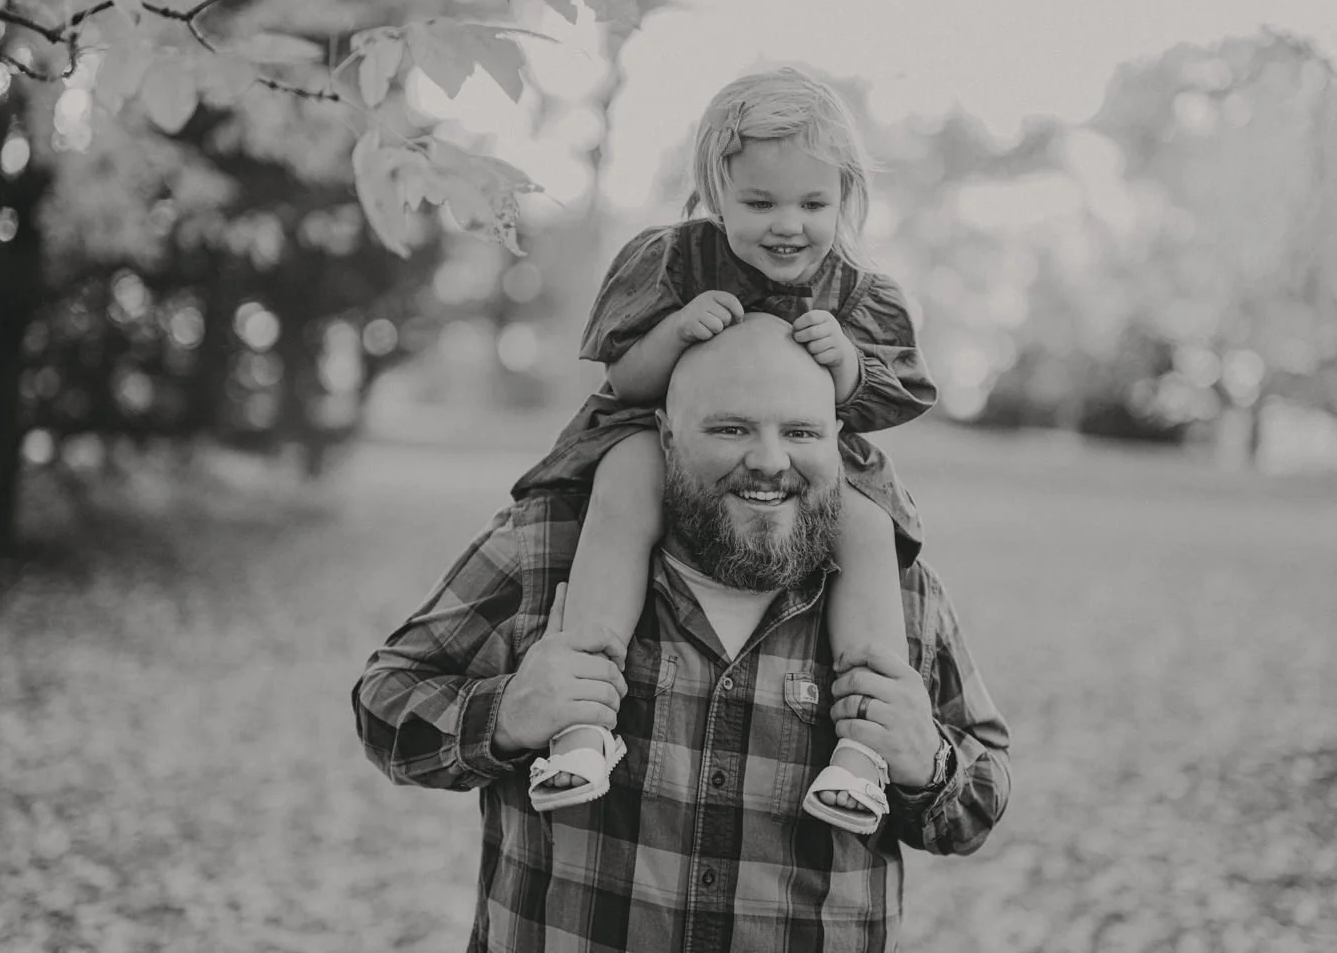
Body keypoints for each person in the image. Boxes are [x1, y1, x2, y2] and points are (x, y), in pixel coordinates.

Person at [352, 313, 1011, 953]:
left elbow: (982, 795)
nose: (769, 460)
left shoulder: (897, 596)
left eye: (802, 432)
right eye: (731, 428)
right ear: (666, 435)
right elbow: (386, 699)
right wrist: (503, 717)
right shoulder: (549, 548)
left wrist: (929, 762)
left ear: (837, 439)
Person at [514, 66, 935, 833]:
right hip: (667, 441)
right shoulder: (676, 262)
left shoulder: (858, 293)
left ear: (845, 198)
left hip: (818, 461)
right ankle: (582, 720)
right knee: (624, 488)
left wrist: (843, 361)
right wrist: (677, 331)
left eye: (813, 204)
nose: (788, 225)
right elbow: (625, 381)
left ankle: (866, 752)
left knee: (870, 529)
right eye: (760, 202)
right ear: (715, 191)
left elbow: (887, 402)